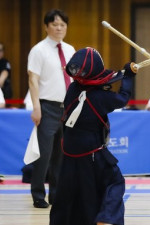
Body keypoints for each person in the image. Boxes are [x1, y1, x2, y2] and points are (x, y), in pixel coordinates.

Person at [49, 47, 137, 225]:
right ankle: (106, 217)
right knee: (115, 181)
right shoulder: (102, 97)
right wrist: (128, 77)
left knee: (74, 193)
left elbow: (97, 82)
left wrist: (122, 73)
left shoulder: (73, 88)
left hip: (70, 152)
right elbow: (122, 98)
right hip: (91, 152)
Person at [27, 9, 75, 208]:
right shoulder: (39, 50)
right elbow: (33, 79)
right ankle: (38, 194)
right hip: (47, 107)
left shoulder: (70, 50)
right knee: (44, 154)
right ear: (46, 26)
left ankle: (56, 195)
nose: (59, 28)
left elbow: (75, 78)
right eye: (55, 24)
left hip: (68, 108)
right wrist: (36, 107)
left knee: (61, 155)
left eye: (62, 24)